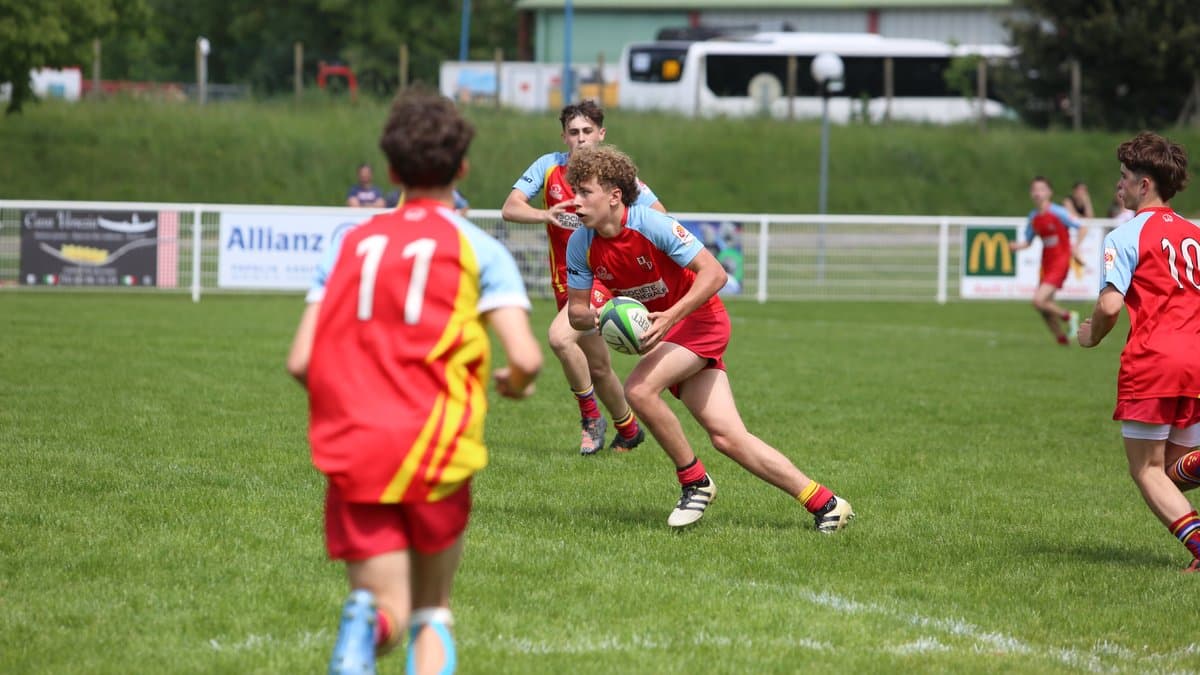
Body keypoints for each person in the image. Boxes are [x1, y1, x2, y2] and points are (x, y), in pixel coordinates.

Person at [287, 90, 543, 673]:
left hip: (357, 447)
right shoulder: (479, 249)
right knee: (431, 613)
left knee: (385, 607)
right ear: (462, 168)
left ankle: (367, 625)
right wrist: (515, 382)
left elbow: (301, 360)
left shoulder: (350, 243)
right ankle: (386, 627)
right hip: (437, 448)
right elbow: (526, 357)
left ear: (391, 171)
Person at [563, 145, 854, 531]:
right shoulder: (580, 244)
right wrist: (603, 315)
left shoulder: (652, 225)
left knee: (639, 390)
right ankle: (827, 504)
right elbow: (576, 313)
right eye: (575, 191)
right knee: (728, 437)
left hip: (700, 320)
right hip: (671, 331)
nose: (575, 201)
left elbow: (715, 274)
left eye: (585, 192)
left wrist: (670, 316)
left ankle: (695, 482)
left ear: (614, 196)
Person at [501, 100, 665, 455]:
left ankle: (590, 417)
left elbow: (660, 215)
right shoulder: (548, 167)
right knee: (600, 367)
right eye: (573, 132)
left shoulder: (616, 176)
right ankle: (629, 429)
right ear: (564, 137)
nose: (581, 138)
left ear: (601, 134)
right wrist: (545, 215)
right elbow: (510, 207)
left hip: (601, 280)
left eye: (587, 131)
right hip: (567, 284)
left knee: (560, 339)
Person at [1077, 131, 1200, 573]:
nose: (1119, 185)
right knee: (1170, 471)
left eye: (1124, 176)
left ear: (1144, 185)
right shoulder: (1196, 234)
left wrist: (1092, 335)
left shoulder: (1125, 236)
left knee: (1146, 471)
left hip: (1154, 361)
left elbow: (1111, 306)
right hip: (1197, 360)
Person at [1011, 176, 1086, 346]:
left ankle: (1069, 316)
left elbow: (1082, 227)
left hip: (1061, 261)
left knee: (1038, 300)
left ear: (1049, 192)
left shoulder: (1059, 212)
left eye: (1041, 189)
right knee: (1044, 307)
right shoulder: (1033, 216)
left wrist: (1076, 247)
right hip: (1046, 263)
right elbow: (1028, 242)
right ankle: (1062, 341)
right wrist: (1016, 246)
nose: (1037, 193)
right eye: (1034, 190)